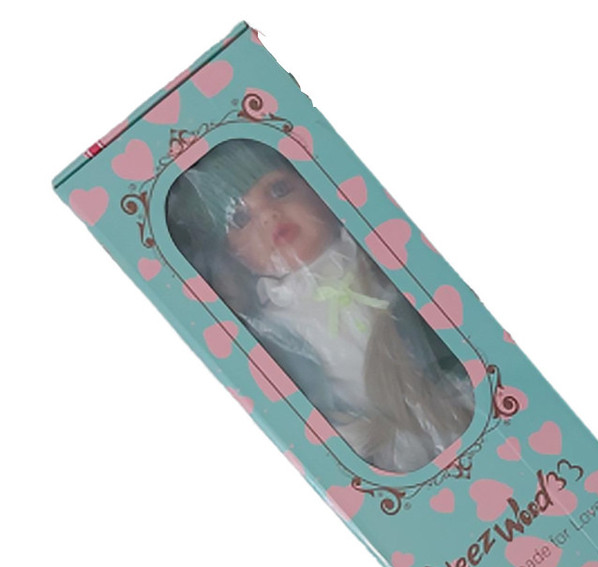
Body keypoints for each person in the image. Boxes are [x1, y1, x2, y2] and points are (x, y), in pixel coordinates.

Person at [166, 138, 474, 473]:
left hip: (457, 400)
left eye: (279, 189)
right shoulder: (273, 325)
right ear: (235, 256)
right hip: (386, 450)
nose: (268, 214)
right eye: (240, 219)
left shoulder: (376, 252)